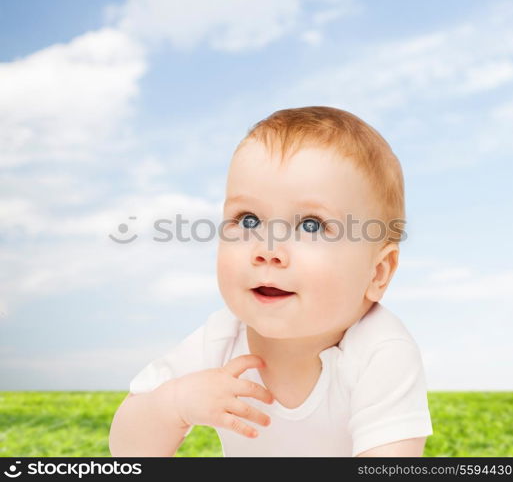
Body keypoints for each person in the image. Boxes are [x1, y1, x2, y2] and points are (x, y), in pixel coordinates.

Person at [109, 106, 433, 457]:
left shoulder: (380, 353)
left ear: (378, 272)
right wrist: (173, 404)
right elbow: (127, 454)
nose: (267, 250)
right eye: (248, 220)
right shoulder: (220, 339)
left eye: (311, 225)